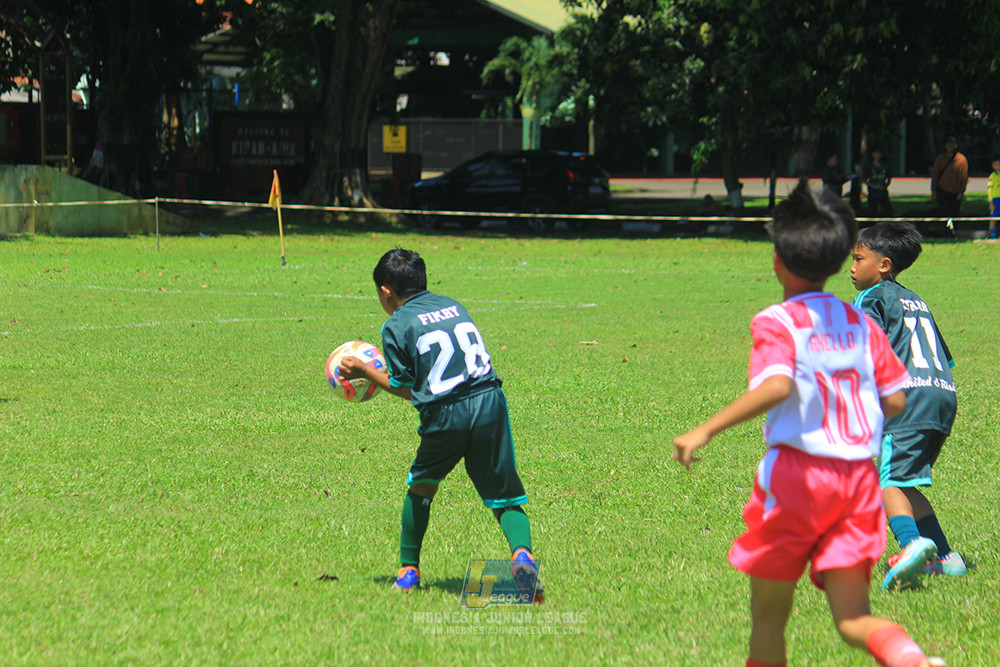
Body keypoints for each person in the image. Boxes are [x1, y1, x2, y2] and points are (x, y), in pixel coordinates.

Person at [673, 180, 945, 667]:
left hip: (799, 480)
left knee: (770, 622)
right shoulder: (859, 321)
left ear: (777, 262)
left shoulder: (777, 321)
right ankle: (911, 659)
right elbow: (897, 400)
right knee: (853, 619)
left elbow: (777, 386)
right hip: (858, 485)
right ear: (842, 261)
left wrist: (705, 430)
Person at [337, 247, 542, 600]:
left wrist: (365, 371)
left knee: (422, 486)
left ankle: (408, 572)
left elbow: (404, 388)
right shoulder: (452, 304)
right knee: (504, 495)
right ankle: (522, 555)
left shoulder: (396, 325)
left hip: (447, 413)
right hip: (490, 401)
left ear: (386, 293)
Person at [850, 223, 965, 588]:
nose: (851, 267)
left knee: (888, 481)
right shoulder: (913, 298)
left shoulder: (872, 298)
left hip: (909, 398)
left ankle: (912, 546)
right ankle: (946, 558)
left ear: (884, 265)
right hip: (942, 394)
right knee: (906, 482)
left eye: (858, 258)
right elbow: (942, 353)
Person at [931, 136, 968, 218]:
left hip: (956, 192)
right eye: (948, 143)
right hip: (943, 190)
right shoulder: (940, 159)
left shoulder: (961, 159)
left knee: (954, 213)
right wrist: (933, 191)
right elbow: (935, 175)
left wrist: (961, 192)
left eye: (952, 143)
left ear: (956, 145)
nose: (950, 145)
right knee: (944, 213)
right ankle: (945, 230)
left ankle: (953, 230)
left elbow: (964, 177)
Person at [863, 149, 893, 218]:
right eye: (876, 153)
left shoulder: (886, 165)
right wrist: (873, 186)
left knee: (887, 210)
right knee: (872, 211)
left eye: (879, 153)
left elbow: (889, 178)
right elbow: (864, 179)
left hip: (883, 192)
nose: (878, 155)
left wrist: (884, 186)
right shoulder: (869, 165)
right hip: (872, 192)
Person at [987, 155, 1000, 240]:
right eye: (996, 164)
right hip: (995, 200)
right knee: (993, 217)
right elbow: (989, 190)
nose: (998, 166)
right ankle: (993, 236)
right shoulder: (992, 176)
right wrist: (990, 201)